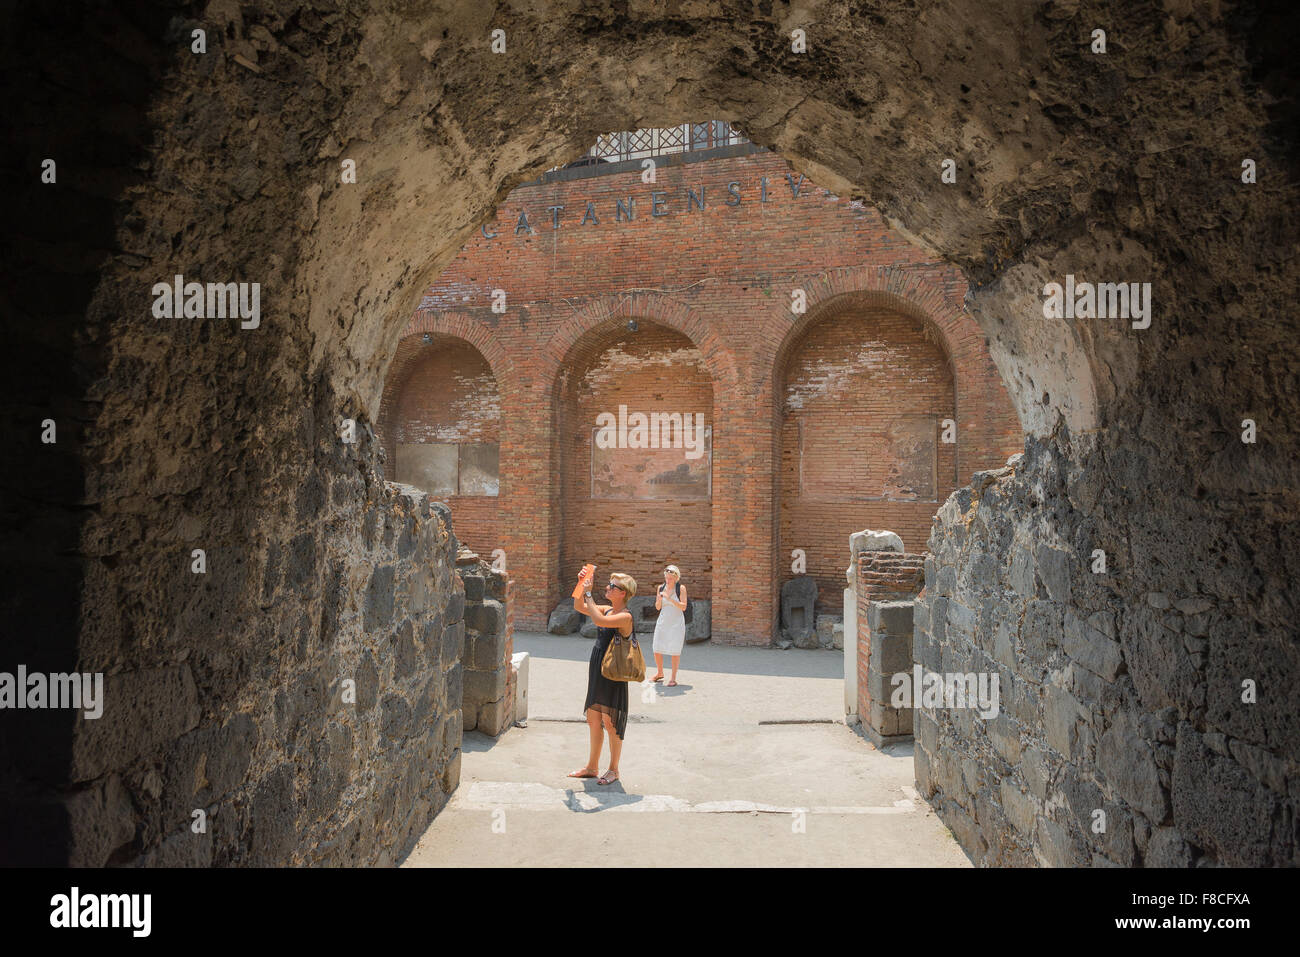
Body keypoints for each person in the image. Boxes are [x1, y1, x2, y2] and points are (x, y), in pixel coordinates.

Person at [567, 568, 637, 786]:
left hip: (613, 672)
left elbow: (597, 620)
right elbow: (579, 606)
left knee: (611, 720)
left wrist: (589, 593)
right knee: (594, 718)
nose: (607, 588)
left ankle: (614, 770)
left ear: (623, 593)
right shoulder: (607, 610)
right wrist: (581, 584)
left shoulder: (625, 617)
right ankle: (592, 767)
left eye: (612, 586)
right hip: (598, 666)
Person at [652, 564, 687, 685]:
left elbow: (683, 607)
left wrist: (670, 599)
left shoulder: (681, 588)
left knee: (674, 650)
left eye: (670, 578)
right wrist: (660, 600)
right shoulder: (660, 588)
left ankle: (673, 678)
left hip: (676, 623)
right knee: (656, 648)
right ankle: (660, 673)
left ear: (676, 578)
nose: (668, 580)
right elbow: (657, 608)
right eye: (666, 578)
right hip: (663, 621)